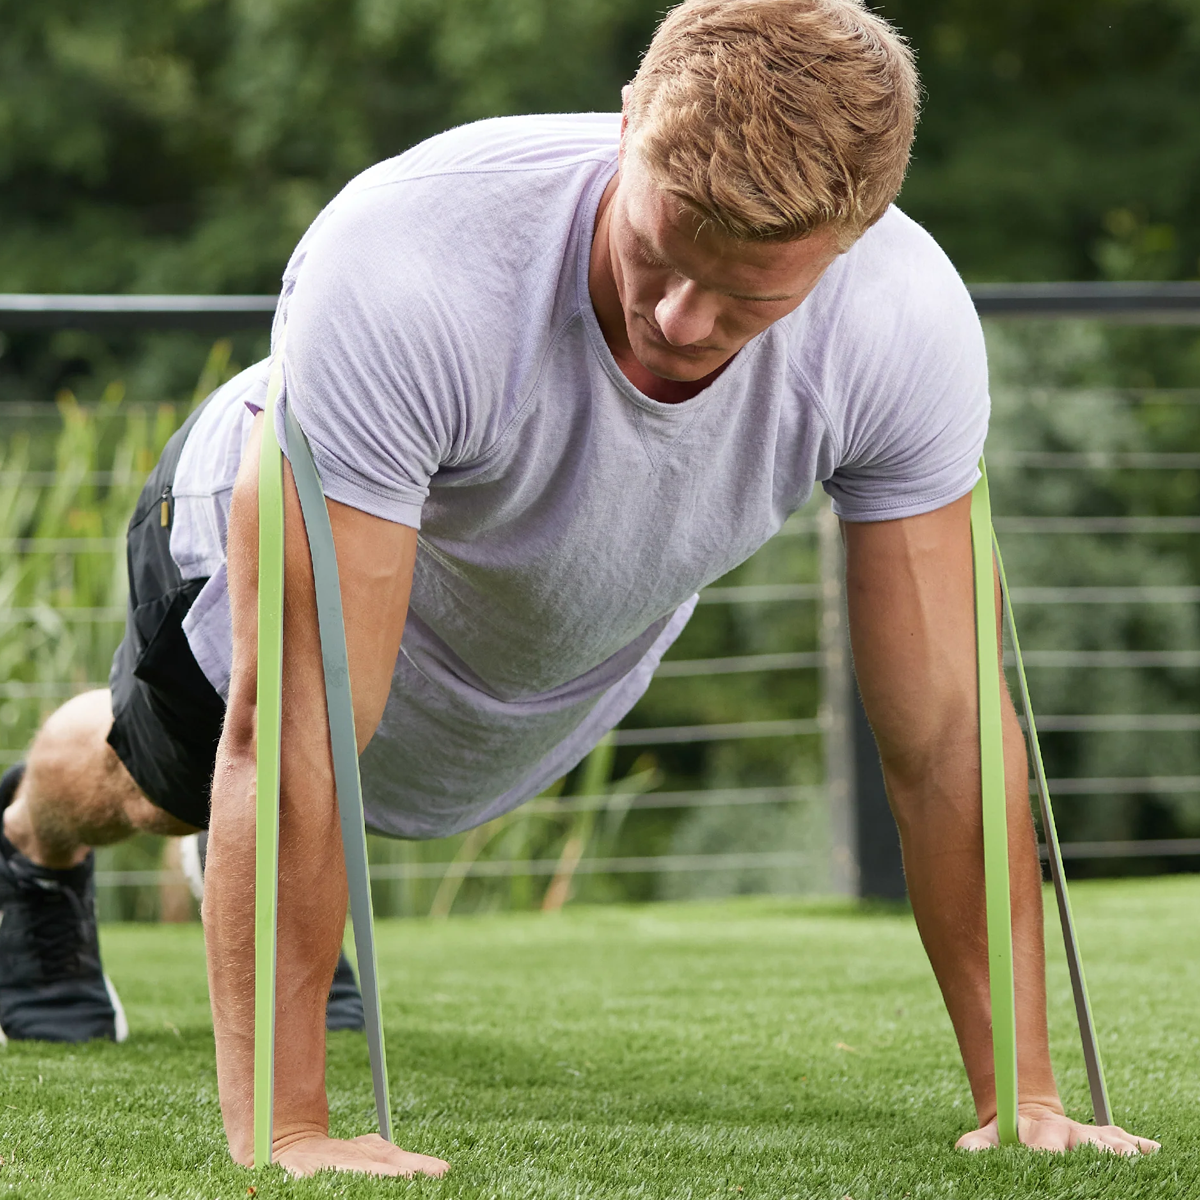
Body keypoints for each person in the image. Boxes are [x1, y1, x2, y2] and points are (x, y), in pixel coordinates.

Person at [0, 0, 1159, 1177]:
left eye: (749, 299)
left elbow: (950, 735)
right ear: (624, 127)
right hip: (284, 538)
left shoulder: (904, 326)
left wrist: (1023, 1094)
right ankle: (28, 846)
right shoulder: (409, 257)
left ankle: (258, 876)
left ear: (854, 235)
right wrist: (291, 1127)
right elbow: (294, 722)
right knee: (164, 788)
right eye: (657, 255)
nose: (678, 320)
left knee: (332, 797)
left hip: (541, 646)